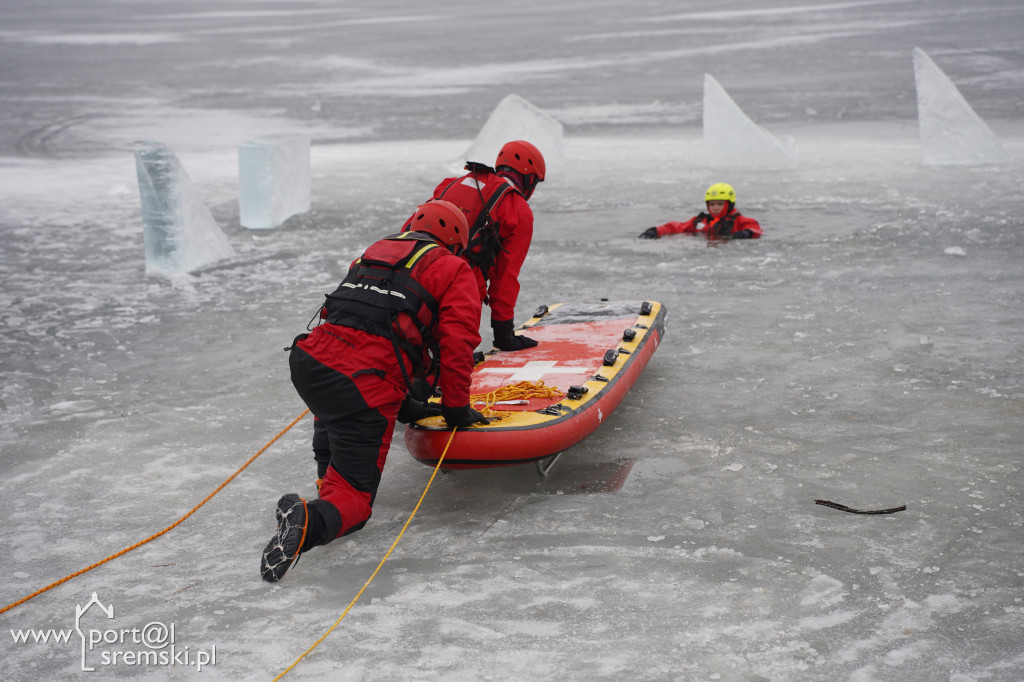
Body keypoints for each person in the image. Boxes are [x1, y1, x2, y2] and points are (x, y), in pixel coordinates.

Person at [260, 200, 490, 583]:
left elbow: (350, 324)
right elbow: (456, 344)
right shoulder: (453, 268)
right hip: (362, 382)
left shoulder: (374, 253)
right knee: (356, 503)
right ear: (454, 239)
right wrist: (455, 409)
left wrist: (409, 407)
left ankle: (324, 484)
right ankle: (312, 520)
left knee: (337, 416)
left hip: (311, 363)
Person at [408, 140, 545, 351]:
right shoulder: (517, 208)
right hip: (458, 285)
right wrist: (504, 336)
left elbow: (411, 227)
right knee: (450, 357)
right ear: (529, 178)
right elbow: (505, 277)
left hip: (412, 272)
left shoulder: (451, 184)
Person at [638, 182, 762, 240]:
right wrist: (656, 230)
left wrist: (748, 233)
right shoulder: (700, 221)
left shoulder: (739, 220)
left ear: (729, 204)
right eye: (712, 204)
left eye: (720, 204)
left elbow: (755, 227)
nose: (715, 208)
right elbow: (678, 227)